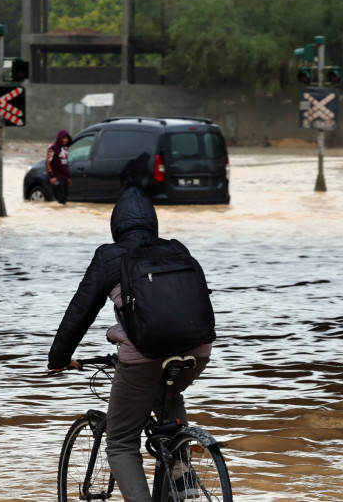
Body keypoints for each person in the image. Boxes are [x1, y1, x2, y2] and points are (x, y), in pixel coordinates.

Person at [48, 187, 212, 502]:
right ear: (153, 224)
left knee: (121, 441)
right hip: (198, 350)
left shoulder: (110, 256)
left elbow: (79, 313)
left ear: (116, 226)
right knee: (169, 391)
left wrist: (59, 358)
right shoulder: (177, 249)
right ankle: (182, 474)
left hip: (144, 355)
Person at [46, 130, 72, 204]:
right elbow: (48, 163)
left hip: (65, 177)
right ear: (60, 138)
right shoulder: (53, 148)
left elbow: (65, 164)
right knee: (60, 200)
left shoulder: (66, 148)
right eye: (64, 138)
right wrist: (52, 176)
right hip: (57, 177)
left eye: (67, 138)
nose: (65, 140)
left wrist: (68, 177)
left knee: (64, 200)